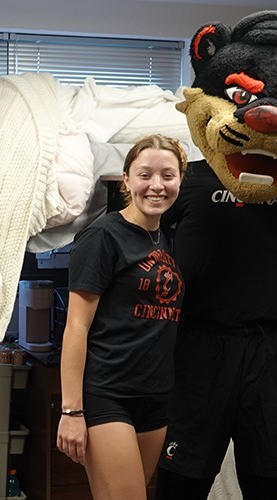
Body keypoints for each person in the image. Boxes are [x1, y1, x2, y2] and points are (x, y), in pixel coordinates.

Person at [56, 134, 188, 499]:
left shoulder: (169, 240)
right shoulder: (103, 236)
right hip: (108, 394)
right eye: (145, 175)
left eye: (168, 175)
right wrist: (72, 411)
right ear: (126, 179)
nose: (157, 185)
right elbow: (76, 327)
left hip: (156, 395)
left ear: (180, 180)